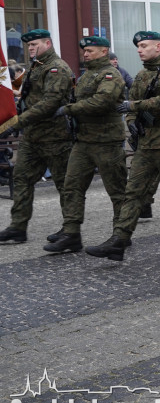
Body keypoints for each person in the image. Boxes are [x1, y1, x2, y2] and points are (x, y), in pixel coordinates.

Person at [84, 31, 160, 261]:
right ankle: (119, 240)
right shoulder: (142, 75)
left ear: (159, 47)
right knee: (133, 192)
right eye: (138, 46)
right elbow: (130, 105)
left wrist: (134, 107)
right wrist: (132, 123)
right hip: (147, 143)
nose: (139, 50)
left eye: (144, 45)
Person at [43, 36, 128, 254]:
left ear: (104, 51)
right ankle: (71, 234)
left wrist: (68, 110)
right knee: (72, 187)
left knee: (116, 191)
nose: (86, 54)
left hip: (106, 141)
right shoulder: (86, 75)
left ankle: (120, 237)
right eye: (85, 51)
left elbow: (102, 102)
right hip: (83, 141)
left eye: (90, 50)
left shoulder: (111, 74)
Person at [0, 29, 75, 245]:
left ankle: (71, 231)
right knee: (22, 179)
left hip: (55, 137)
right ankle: (17, 227)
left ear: (48, 43)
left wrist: (18, 121)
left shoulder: (57, 68)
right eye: (29, 46)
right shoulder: (36, 66)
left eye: (35, 45)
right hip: (33, 138)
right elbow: (30, 97)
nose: (31, 49)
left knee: (64, 185)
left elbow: (50, 103)